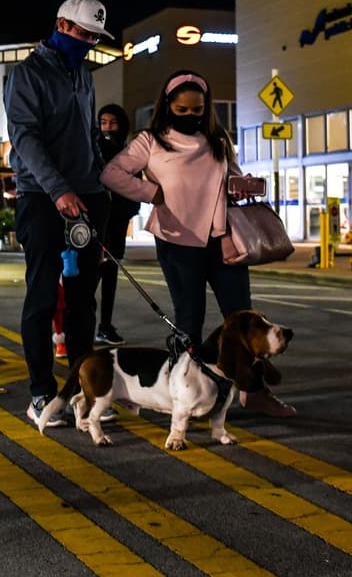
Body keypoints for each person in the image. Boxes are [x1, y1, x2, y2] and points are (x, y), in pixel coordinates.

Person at [101, 69, 295, 418]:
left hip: (223, 239)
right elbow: (112, 173)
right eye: (183, 109)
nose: (191, 116)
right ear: (168, 105)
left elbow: (232, 174)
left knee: (243, 320)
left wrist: (242, 183)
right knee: (189, 321)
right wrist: (150, 192)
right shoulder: (150, 141)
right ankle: (184, 394)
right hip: (177, 241)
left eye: (198, 110)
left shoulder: (218, 138)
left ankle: (255, 391)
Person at [5, 0, 113, 428]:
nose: (87, 42)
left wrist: (102, 181)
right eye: (83, 33)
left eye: (94, 37)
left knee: (84, 300)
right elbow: (25, 138)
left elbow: (88, 136)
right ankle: (41, 392)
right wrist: (58, 189)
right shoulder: (26, 74)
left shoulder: (83, 76)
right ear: (61, 25)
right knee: (44, 294)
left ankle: (82, 389)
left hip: (87, 197)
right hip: (42, 198)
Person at [94, 103, 141, 345]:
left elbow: (136, 185)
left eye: (112, 123)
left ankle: (105, 325)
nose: (107, 128)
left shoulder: (128, 152)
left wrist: (129, 211)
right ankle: (81, 323)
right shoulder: (94, 150)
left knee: (111, 274)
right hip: (96, 223)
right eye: (103, 122)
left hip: (118, 222)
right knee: (91, 275)